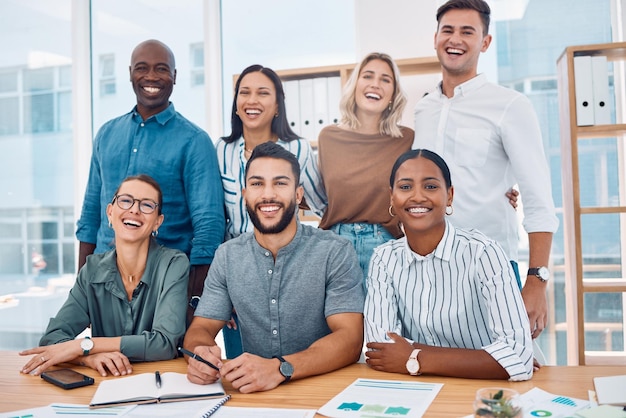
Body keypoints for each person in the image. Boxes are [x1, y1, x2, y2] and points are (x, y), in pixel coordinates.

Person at [413, 0, 559, 338]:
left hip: (489, 269)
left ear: (485, 42)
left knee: (505, 374)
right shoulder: (423, 108)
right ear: (435, 37)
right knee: (435, 376)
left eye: (468, 31)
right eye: (448, 30)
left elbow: (539, 199)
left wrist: (537, 281)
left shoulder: (510, 106)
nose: (456, 39)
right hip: (426, 270)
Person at [183, 142, 364, 394]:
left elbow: (350, 339)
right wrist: (200, 354)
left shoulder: (335, 251)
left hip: (324, 388)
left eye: (280, 183)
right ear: (245, 194)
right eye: (257, 184)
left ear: (298, 195)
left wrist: (280, 368)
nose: (268, 194)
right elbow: (201, 328)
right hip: (256, 394)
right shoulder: (227, 255)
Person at [75, 39, 224, 326]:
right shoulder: (106, 134)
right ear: (130, 73)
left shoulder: (194, 141)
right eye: (142, 68)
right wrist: (83, 290)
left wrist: (194, 299)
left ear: (175, 77)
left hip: (166, 287)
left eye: (162, 69)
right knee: (111, 366)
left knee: (164, 368)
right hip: (105, 285)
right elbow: (90, 216)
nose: (151, 77)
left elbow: (209, 226)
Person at [364, 149, 533, 381]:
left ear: (450, 195)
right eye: (405, 187)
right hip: (416, 388)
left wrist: (414, 358)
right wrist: (489, 358)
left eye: (431, 186)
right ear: (392, 197)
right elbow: (380, 350)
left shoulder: (484, 253)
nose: (417, 196)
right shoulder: (383, 259)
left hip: (482, 390)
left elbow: (518, 356)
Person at [20, 175, 189, 377]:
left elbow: (164, 344)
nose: (134, 210)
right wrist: (86, 358)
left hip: (161, 384)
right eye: (126, 200)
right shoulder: (92, 269)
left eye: (146, 205)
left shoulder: (174, 264)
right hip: (107, 382)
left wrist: (85, 345)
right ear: (110, 212)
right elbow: (53, 339)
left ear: (157, 222)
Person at [216, 64, 327, 358]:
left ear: (277, 104)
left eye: (263, 93)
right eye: (245, 93)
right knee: (243, 372)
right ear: (236, 104)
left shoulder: (299, 149)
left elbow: (323, 208)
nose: (252, 100)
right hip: (240, 271)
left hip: (290, 268)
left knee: (297, 366)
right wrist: (224, 290)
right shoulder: (223, 150)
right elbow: (218, 221)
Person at [317, 52, 413, 284]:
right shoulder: (328, 137)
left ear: (393, 94)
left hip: (386, 245)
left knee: (384, 321)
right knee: (335, 322)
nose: (375, 84)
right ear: (355, 85)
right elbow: (318, 194)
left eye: (385, 79)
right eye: (368, 76)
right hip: (335, 246)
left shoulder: (407, 139)